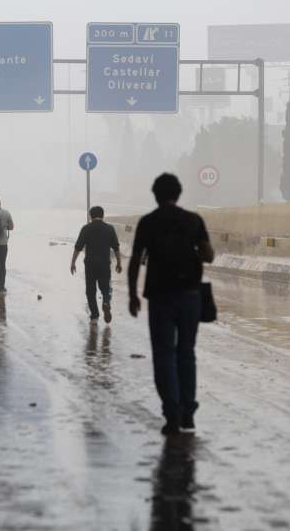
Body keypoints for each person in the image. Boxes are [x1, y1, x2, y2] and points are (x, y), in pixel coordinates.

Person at [128, 173, 215, 436]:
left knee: (164, 355)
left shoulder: (148, 222)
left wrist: (132, 295)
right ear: (178, 194)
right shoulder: (193, 220)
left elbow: (135, 260)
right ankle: (188, 412)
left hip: (160, 296)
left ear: (155, 195)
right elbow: (209, 255)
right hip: (190, 295)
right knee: (186, 353)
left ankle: (172, 413)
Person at [70, 206, 122, 324]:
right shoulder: (109, 229)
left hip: (90, 265)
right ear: (103, 215)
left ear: (90, 216)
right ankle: (106, 302)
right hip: (104, 264)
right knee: (105, 288)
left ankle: (94, 316)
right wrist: (119, 262)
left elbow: (78, 247)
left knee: (90, 291)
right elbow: (116, 247)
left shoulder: (86, 228)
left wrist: (73, 262)